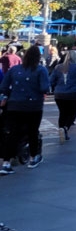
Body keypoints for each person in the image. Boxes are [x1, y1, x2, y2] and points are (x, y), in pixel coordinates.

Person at [0, 44, 50, 172]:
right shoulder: (40, 70)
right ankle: (34, 157)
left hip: (15, 105)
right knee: (32, 132)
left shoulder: (14, 70)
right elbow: (45, 88)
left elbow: (4, 86)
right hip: (33, 106)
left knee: (12, 133)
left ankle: (6, 162)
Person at [50, 49, 76, 142]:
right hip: (73, 93)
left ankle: (62, 131)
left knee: (62, 113)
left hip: (59, 94)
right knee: (72, 114)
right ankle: (65, 128)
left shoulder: (58, 67)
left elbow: (51, 80)